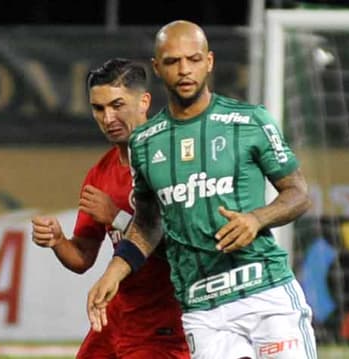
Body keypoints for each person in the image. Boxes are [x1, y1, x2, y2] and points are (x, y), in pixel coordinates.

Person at [87, 20, 317, 359]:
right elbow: (149, 224)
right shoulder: (145, 144)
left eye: (193, 59)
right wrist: (115, 271)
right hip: (202, 309)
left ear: (208, 62)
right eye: (172, 62)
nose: (184, 70)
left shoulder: (251, 121)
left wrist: (256, 219)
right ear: (157, 68)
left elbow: (297, 193)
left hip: (265, 293)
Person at [31, 58, 189, 358]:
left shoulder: (174, 160)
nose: (108, 117)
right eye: (99, 108)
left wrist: (116, 218)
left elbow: (185, 246)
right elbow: (82, 258)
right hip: (115, 321)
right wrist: (58, 240)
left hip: (163, 327)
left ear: (144, 102)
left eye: (117, 105)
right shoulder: (100, 173)